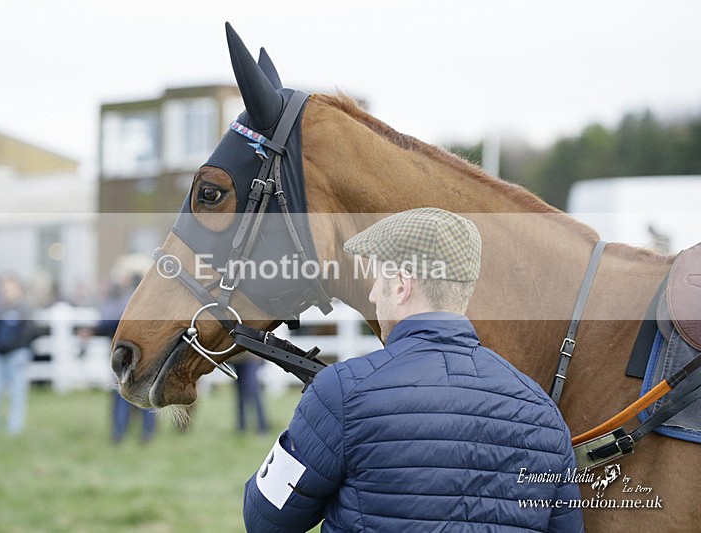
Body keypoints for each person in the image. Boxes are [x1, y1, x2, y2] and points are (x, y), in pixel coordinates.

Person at [243, 208, 583, 532]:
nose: (374, 294)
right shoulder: (543, 412)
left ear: (403, 286)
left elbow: (265, 519)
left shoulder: (341, 392)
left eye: (378, 279)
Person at [98, 275, 157, 444]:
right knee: (145, 395)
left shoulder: (121, 304)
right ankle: (147, 433)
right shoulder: (149, 306)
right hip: (144, 355)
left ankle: (119, 433)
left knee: (121, 395)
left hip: (123, 356)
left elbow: (105, 324)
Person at [0, 275, 34, 435]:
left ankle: (14, 430)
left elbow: (29, 333)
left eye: (10, 289)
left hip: (16, 356)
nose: (7, 293)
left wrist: (13, 347)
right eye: (4, 289)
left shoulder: (25, 309)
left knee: (16, 395)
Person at [231, 352, 268, 434]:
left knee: (252, 389)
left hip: (251, 356)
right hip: (236, 358)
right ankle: (241, 427)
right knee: (240, 393)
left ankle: (262, 426)